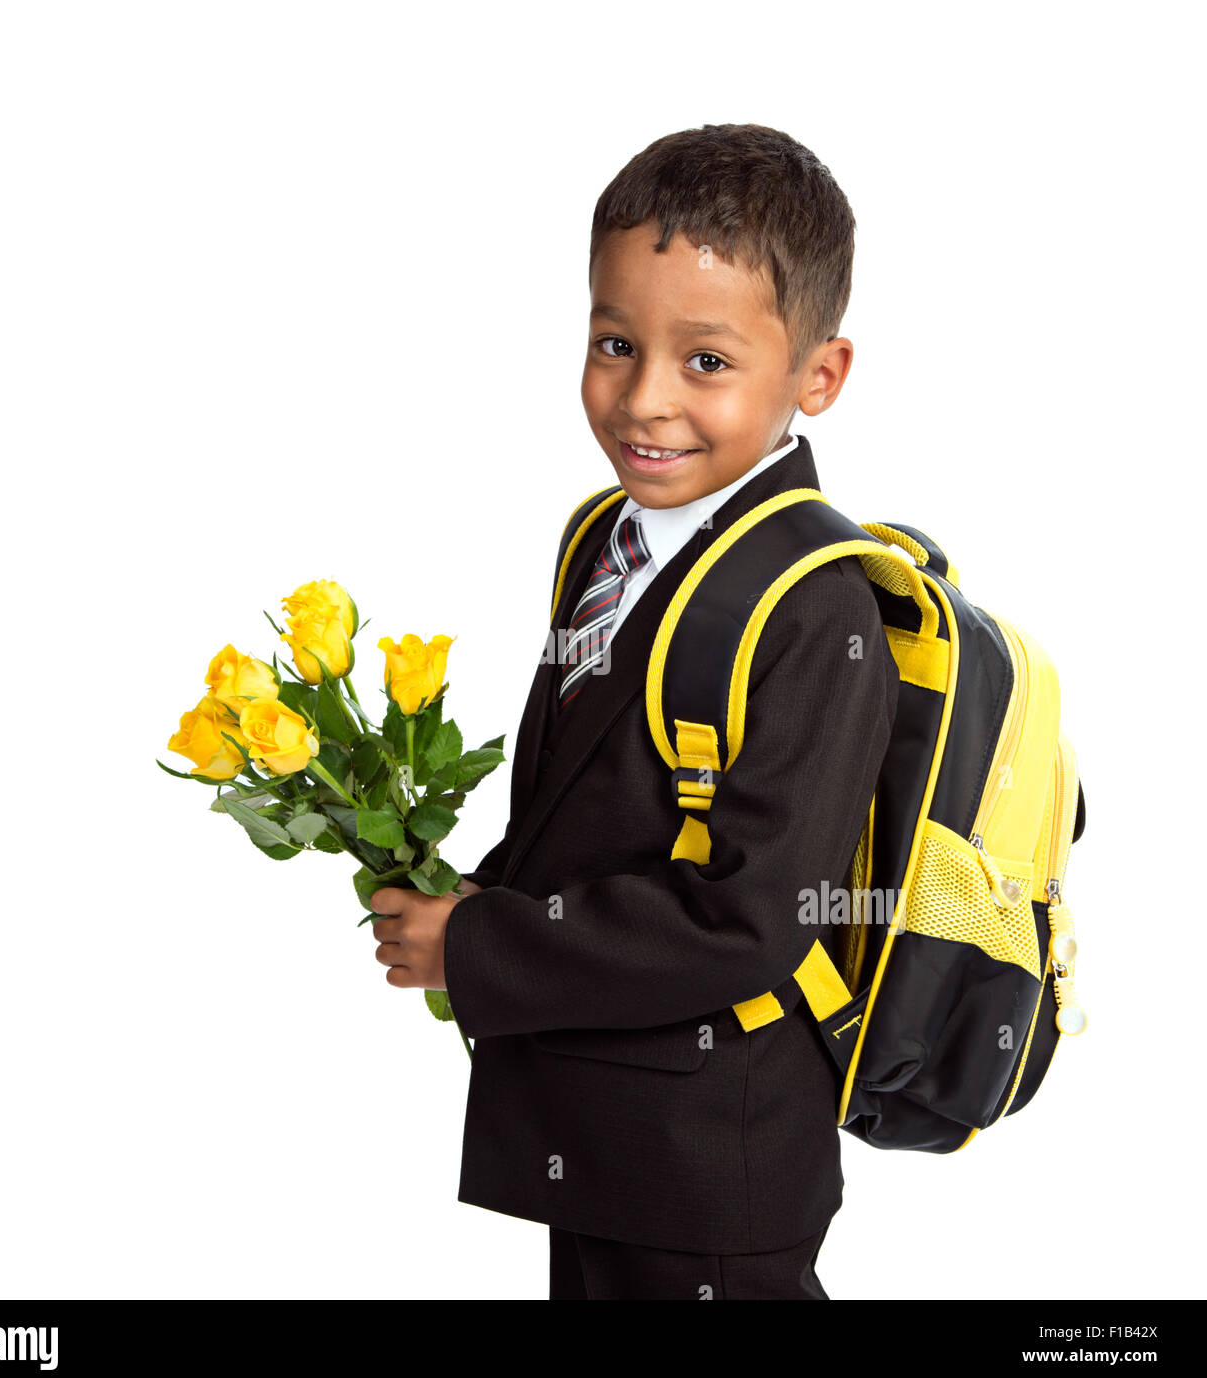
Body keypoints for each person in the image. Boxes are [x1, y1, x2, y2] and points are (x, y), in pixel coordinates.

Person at [369, 123, 899, 1300]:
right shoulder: (600, 541)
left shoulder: (819, 611)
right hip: (608, 1119)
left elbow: (751, 920)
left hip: (714, 1148)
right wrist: (470, 893)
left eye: (705, 361)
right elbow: (583, 801)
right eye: (615, 343)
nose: (642, 399)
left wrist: (481, 945)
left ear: (817, 376)